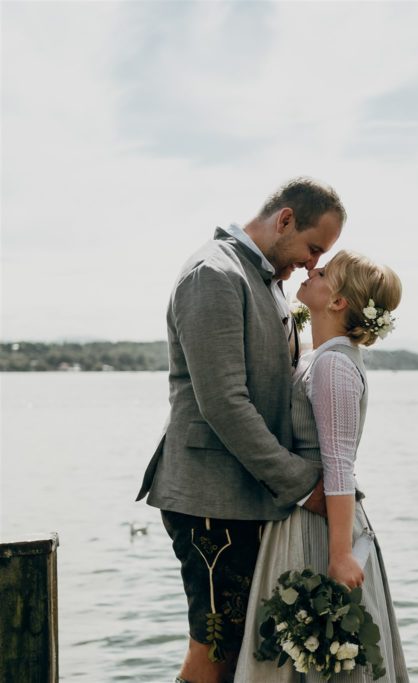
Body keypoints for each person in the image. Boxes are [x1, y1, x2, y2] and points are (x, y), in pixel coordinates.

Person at [136, 177, 345, 683]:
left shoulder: (264, 280)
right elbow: (224, 404)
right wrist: (303, 485)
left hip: (246, 500)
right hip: (210, 505)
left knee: (244, 656)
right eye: (312, 248)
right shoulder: (213, 274)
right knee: (214, 653)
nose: (312, 264)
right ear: (286, 218)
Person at [236, 251, 408, 682]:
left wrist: (339, 555)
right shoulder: (321, 356)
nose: (312, 270)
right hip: (301, 514)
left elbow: (338, 465)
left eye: (325, 272)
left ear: (338, 302)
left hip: (320, 526)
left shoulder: (334, 365)